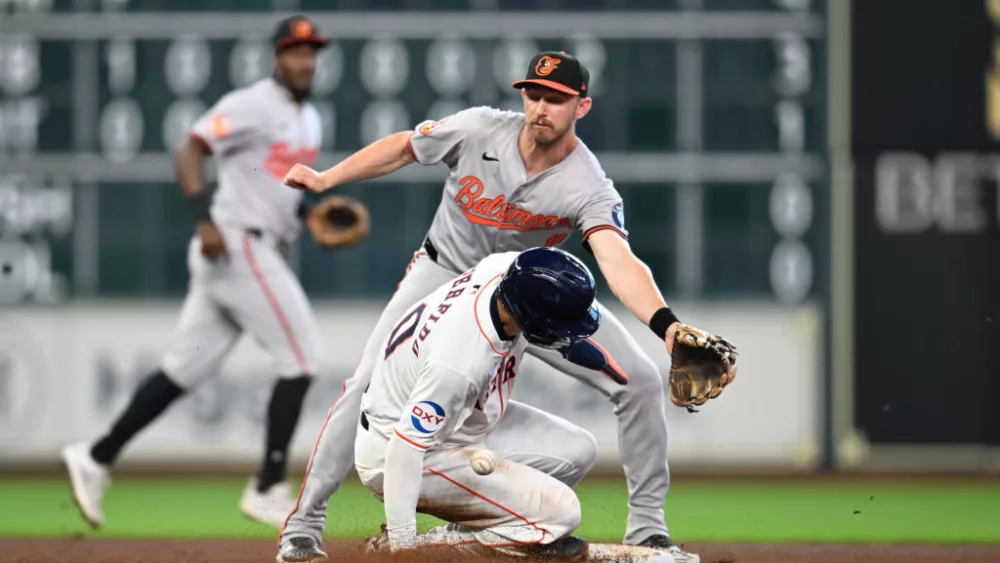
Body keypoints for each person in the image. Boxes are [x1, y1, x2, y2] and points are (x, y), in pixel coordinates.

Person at [278, 51, 733, 563]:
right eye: (533, 95)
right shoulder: (478, 129)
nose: (541, 107)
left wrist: (667, 327)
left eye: (556, 99)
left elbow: (617, 258)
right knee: (364, 383)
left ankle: (647, 528)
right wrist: (326, 178)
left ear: (581, 106)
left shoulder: (586, 184)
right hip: (444, 274)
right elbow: (406, 147)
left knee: (642, 382)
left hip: (525, 300)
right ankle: (303, 526)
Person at [62, 15, 331, 530]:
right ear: (277, 55)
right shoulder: (252, 103)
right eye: (296, 51)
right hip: (234, 243)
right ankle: (268, 485)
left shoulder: (310, 119)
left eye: (312, 51)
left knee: (183, 370)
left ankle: (96, 455)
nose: (306, 60)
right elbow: (190, 148)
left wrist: (309, 218)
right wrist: (203, 218)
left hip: (253, 243)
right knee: (301, 358)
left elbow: (274, 187)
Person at [356, 247, 609, 560]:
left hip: (456, 421)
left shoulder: (505, 269)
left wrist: (570, 345)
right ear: (531, 317)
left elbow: (537, 301)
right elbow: (404, 448)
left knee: (579, 449)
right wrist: (403, 548)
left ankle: (478, 532)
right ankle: (429, 546)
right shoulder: (460, 362)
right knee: (560, 514)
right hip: (396, 453)